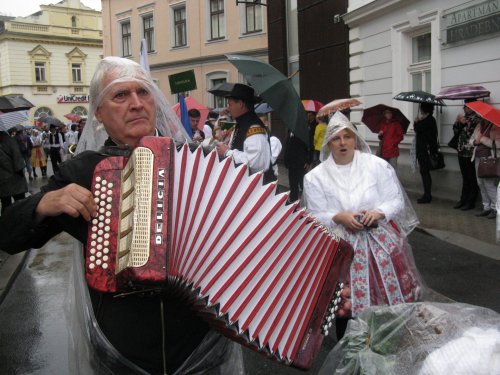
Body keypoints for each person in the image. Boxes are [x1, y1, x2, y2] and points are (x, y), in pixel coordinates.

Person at [0, 56, 243, 374]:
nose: (137, 104)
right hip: (123, 346)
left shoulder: (196, 161)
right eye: (121, 95)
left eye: (144, 93)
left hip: (199, 338)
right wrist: (43, 203)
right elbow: (8, 235)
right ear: (99, 113)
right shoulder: (83, 170)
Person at [302, 111, 423, 332]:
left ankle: (388, 340)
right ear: (328, 142)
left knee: (388, 303)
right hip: (341, 248)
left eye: (347, 136)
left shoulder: (376, 165)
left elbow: (395, 199)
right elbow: (313, 216)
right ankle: (349, 349)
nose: (342, 143)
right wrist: (337, 217)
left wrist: (378, 212)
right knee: (345, 307)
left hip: (380, 244)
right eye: (336, 138)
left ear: (355, 139)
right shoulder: (315, 177)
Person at [215, 83, 274, 183]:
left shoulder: (254, 127)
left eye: (230, 104)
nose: (228, 108)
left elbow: (256, 163)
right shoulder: (242, 123)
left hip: (256, 189)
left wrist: (227, 152)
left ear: (241, 104)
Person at [452, 101, 480, 211]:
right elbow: (455, 132)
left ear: (472, 107)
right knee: (465, 177)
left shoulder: (477, 119)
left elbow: (472, 135)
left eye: (466, 106)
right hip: (461, 151)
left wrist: (466, 125)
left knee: (472, 177)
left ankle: (471, 201)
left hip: (471, 153)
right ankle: (463, 199)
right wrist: (457, 123)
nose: (464, 108)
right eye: (464, 106)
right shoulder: (463, 118)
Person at [471, 119, 500, 219]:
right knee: (480, 183)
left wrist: (482, 139)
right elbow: (471, 140)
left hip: (489, 159)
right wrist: (475, 142)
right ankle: (486, 207)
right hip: (478, 158)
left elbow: (498, 144)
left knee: (489, 184)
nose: (479, 117)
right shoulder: (479, 125)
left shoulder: (495, 126)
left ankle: (495, 209)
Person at [413, 103, 439, 204]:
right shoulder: (428, 119)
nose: (420, 110)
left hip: (425, 152)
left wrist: (416, 122)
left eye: (421, 108)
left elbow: (418, 129)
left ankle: (427, 195)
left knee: (425, 173)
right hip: (423, 151)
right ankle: (426, 194)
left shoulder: (429, 120)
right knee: (424, 173)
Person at [0, 130, 28, 214]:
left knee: (5, 204)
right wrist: (21, 172)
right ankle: (20, 224)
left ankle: (5, 224)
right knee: (20, 204)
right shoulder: (10, 141)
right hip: (15, 179)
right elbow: (17, 160)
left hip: (2, 180)